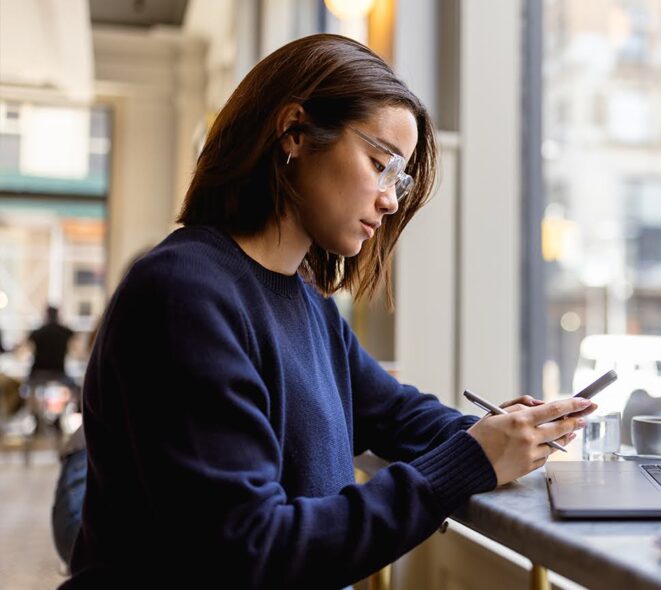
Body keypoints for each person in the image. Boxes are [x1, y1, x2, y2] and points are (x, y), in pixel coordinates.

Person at [61, 34, 595, 589]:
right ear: (294, 132)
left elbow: (396, 415)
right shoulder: (182, 294)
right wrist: (470, 460)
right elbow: (251, 549)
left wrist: (506, 434)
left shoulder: (307, 300)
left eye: (400, 179)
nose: (390, 200)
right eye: (380, 164)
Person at [26, 305, 75, 389]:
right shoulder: (65, 332)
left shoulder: (37, 332)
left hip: (37, 373)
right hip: (59, 372)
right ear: (58, 315)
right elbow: (75, 350)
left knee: (26, 391)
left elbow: (26, 350)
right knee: (76, 390)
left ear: (46, 315)